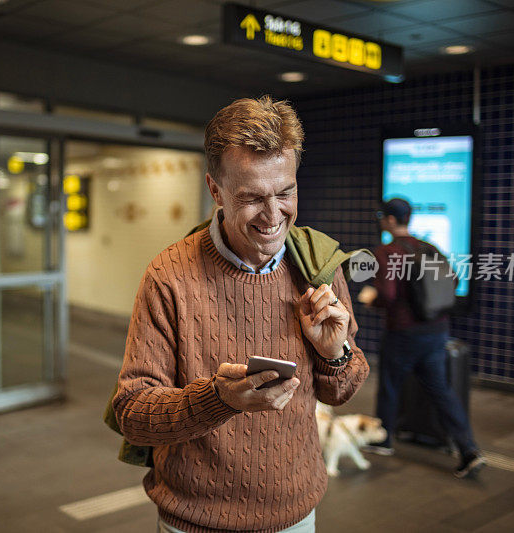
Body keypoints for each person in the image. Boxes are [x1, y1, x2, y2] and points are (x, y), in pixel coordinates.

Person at [112, 96, 369, 533]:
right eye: (251, 198)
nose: (273, 216)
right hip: (195, 521)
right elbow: (133, 414)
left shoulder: (318, 265)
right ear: (216, 190)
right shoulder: (169, 277)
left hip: (297, 516)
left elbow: (340, 392)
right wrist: (220, 399)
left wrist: (335, 353)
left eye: (286, 192)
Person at [357, 198, 485, 479]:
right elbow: (452, 280)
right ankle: (468, 449)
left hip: (403, 332)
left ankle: (384, 438)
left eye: (383, 216)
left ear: (391, 221)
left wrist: (372, 300)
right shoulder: (429, 247)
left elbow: (388, 295)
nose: (381, 220)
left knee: (390, 386)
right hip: (436, 330)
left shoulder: (387, 252)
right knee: (442, 390)